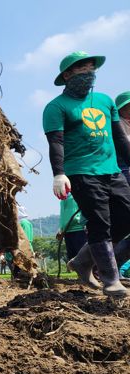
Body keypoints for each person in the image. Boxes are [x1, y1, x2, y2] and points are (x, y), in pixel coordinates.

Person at [43, 51, 130, 296]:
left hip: (111, 171)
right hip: (81, 172)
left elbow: (120, 138)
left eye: (92, 67)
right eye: (82, 67)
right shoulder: (56, 107)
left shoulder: (105, 101)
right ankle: (111, 281)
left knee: (126, 216)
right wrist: (59, 174)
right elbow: (56, 143)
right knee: (99, 223)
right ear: (67, 74)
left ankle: (83, 261)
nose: (89, 71)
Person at [57, 194, 87, 261]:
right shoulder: (64, 197)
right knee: (73, 260)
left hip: (79, 229)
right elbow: (63, 214)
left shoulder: (77, 193)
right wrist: (61, 228)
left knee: (85, 259)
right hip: (67, 232)